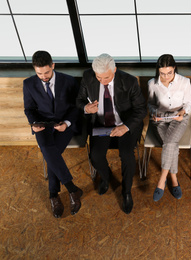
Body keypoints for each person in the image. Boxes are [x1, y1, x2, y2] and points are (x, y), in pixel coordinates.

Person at [76, 53, 146, 214]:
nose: (102, 81)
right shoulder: (88, 77)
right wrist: (86, 108)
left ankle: (126, 191)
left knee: (127, 156)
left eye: (106, 77)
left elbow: (141, 110)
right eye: (99, 78)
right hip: (101, 124)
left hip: (125, 124)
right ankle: (106, 178)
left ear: (114, 69)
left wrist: (126, 127)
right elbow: (79, 100)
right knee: (95, 156)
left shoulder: (129, 81)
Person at [23, 50, 82, 218]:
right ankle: (72, 189)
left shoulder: (69, 81)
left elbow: (76, 107)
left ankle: (53, 195)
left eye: (47, 72)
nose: (43, 76)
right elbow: (29, 109)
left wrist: (67, 123)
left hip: (64, 123)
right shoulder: (28, 84)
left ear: (53, 66)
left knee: (50, 153)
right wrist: (33, 124)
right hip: (43, 125)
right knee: (50, 150)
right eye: (39, 73)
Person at [147, 54, 191, 201]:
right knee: (171, 144)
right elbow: (151, 104)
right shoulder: (152, 84)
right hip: (160, 119)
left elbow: (188, 103)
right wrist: (154, 113)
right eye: (162, 73)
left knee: (169, 143)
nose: (166, 77)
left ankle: (162, 180)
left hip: (179, 118)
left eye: (169, 73)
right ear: (158, 71)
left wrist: (182, 112)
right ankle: (173, 178)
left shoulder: (184, 82)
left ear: (174, 69)